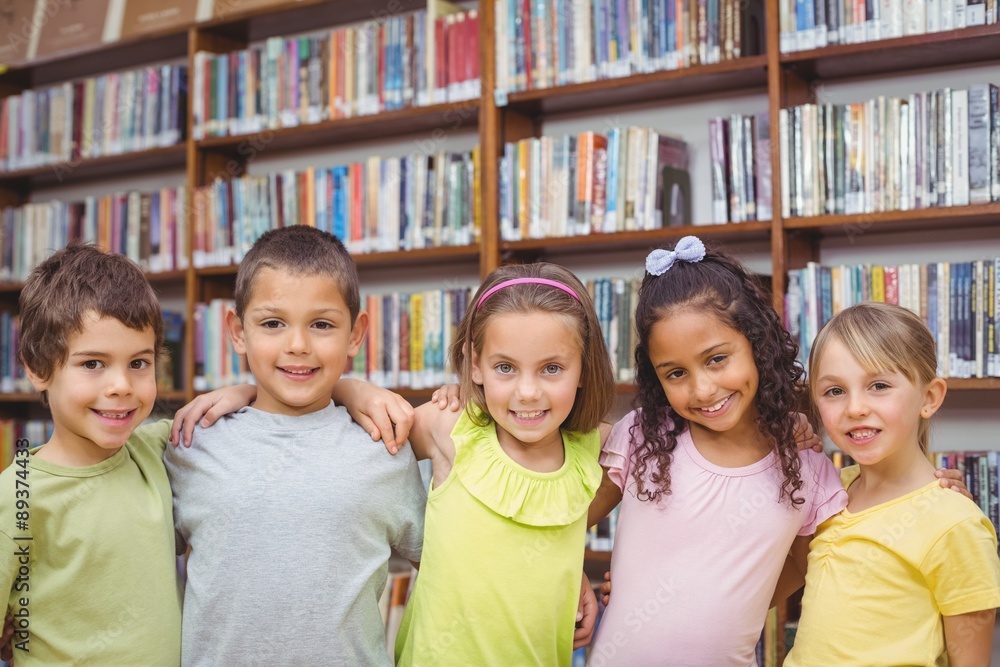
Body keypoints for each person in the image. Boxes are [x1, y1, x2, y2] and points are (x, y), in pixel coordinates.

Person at [163, 225, 427, 666]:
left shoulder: (385, 445)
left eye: (322, 324)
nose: (298, 345)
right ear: (237, 331)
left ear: (356, 334)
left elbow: (453, 564)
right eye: (272, 323)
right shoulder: (192, 442)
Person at [386, 262, 615, 666]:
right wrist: (351, 390)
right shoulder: (451, 427)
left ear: (584, 367)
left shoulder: (596, 446)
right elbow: (362, 438)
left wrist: (572, 567)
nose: (527, 392)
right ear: (475, 364)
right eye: (505, 367)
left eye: (552, 368)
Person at [784, 302, 1000, 666]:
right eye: (834, 391)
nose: (855, 408)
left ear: (929, 398)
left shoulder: (954, 523)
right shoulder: (830, 493)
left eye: (879, 385)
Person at [0, 244, 180, 665]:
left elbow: (252, 407)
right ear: (37, 367)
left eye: (139, 363)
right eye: (93, 364)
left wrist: (347, 388)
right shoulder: (15, 497)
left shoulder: (156, 450)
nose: (121, 385)